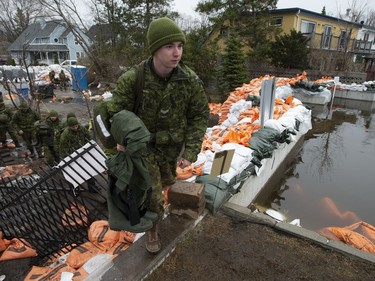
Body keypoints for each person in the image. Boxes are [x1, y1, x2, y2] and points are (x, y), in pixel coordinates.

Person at [108, 17, 209, 254]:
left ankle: (158, 206)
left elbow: (199, 115)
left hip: (171, 151)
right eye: (169, 46)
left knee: (165, 183)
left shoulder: (189, 80)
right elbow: (113, 116)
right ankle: (153, 229)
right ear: (155, 48)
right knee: (152, 196)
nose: (176, 53)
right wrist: (119, 143)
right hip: (143, 152)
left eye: (180, 46)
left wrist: (191, 150)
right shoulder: (133, 80)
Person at [59, 117, 97, 192]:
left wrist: (88, 147)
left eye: (76, 126)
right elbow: (63, 147)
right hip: (72, 155)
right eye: (73, 127)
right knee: (74, 173)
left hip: (83, 153)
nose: (75, 128)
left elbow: (88, 137)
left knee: (88, 170)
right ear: (69, 126)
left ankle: (92, 187)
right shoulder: (65, 134)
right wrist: (67, 158)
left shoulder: (82, 129)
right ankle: (74, 189)